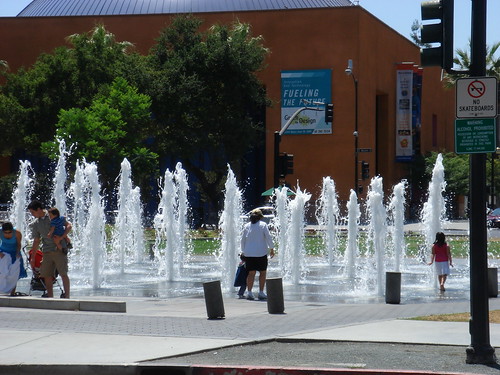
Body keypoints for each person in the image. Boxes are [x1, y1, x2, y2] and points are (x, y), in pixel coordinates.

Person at [28, 200, 71, 298]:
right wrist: (33, 258)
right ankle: (50, 296)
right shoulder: (36, 223)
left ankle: (67, 296)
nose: (32, 214)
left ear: (39, 209)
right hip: (46, 251)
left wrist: (62, 237)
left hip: (59, 249)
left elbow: (68, 225)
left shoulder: (53, 216)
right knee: (46, 274)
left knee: (63, 273)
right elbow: (36, 240)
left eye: (32, 212)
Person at [241, 209, 275, 300]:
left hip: (249, 254)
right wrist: (272, 248)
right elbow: (268, 237)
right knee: (262, 273)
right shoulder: (263, 225)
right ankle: (261, 292)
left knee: (251, 273)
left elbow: (242, 240)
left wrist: (243, 251)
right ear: (260, 217)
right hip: (261, 253)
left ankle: (249, 292)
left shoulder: (246, 226)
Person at [0, 222, 27, 295]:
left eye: (10, 232)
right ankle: (2, 288)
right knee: (3, 271)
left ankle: (12, 292)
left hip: (14, 252)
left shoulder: (17, 233)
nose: (8, 234)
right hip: (3, 252)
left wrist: (17, 253)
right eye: (6, 232)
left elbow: (18, 244)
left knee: (15, 272)